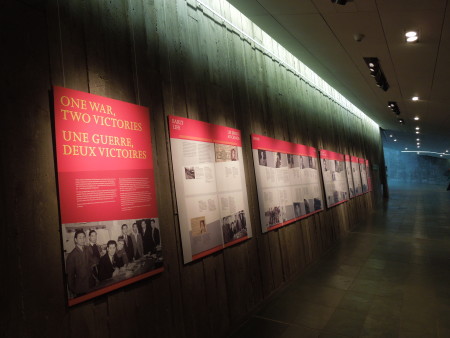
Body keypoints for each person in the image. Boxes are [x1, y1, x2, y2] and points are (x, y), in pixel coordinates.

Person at [65, 230, 92, 297]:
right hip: (80, 289)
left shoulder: (87, 250)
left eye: (83, 237)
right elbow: (70, 277)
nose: (82, 239)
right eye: (80, 238)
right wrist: (74, 290)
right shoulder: (71, 256)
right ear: (75, 240)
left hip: (89, 285)